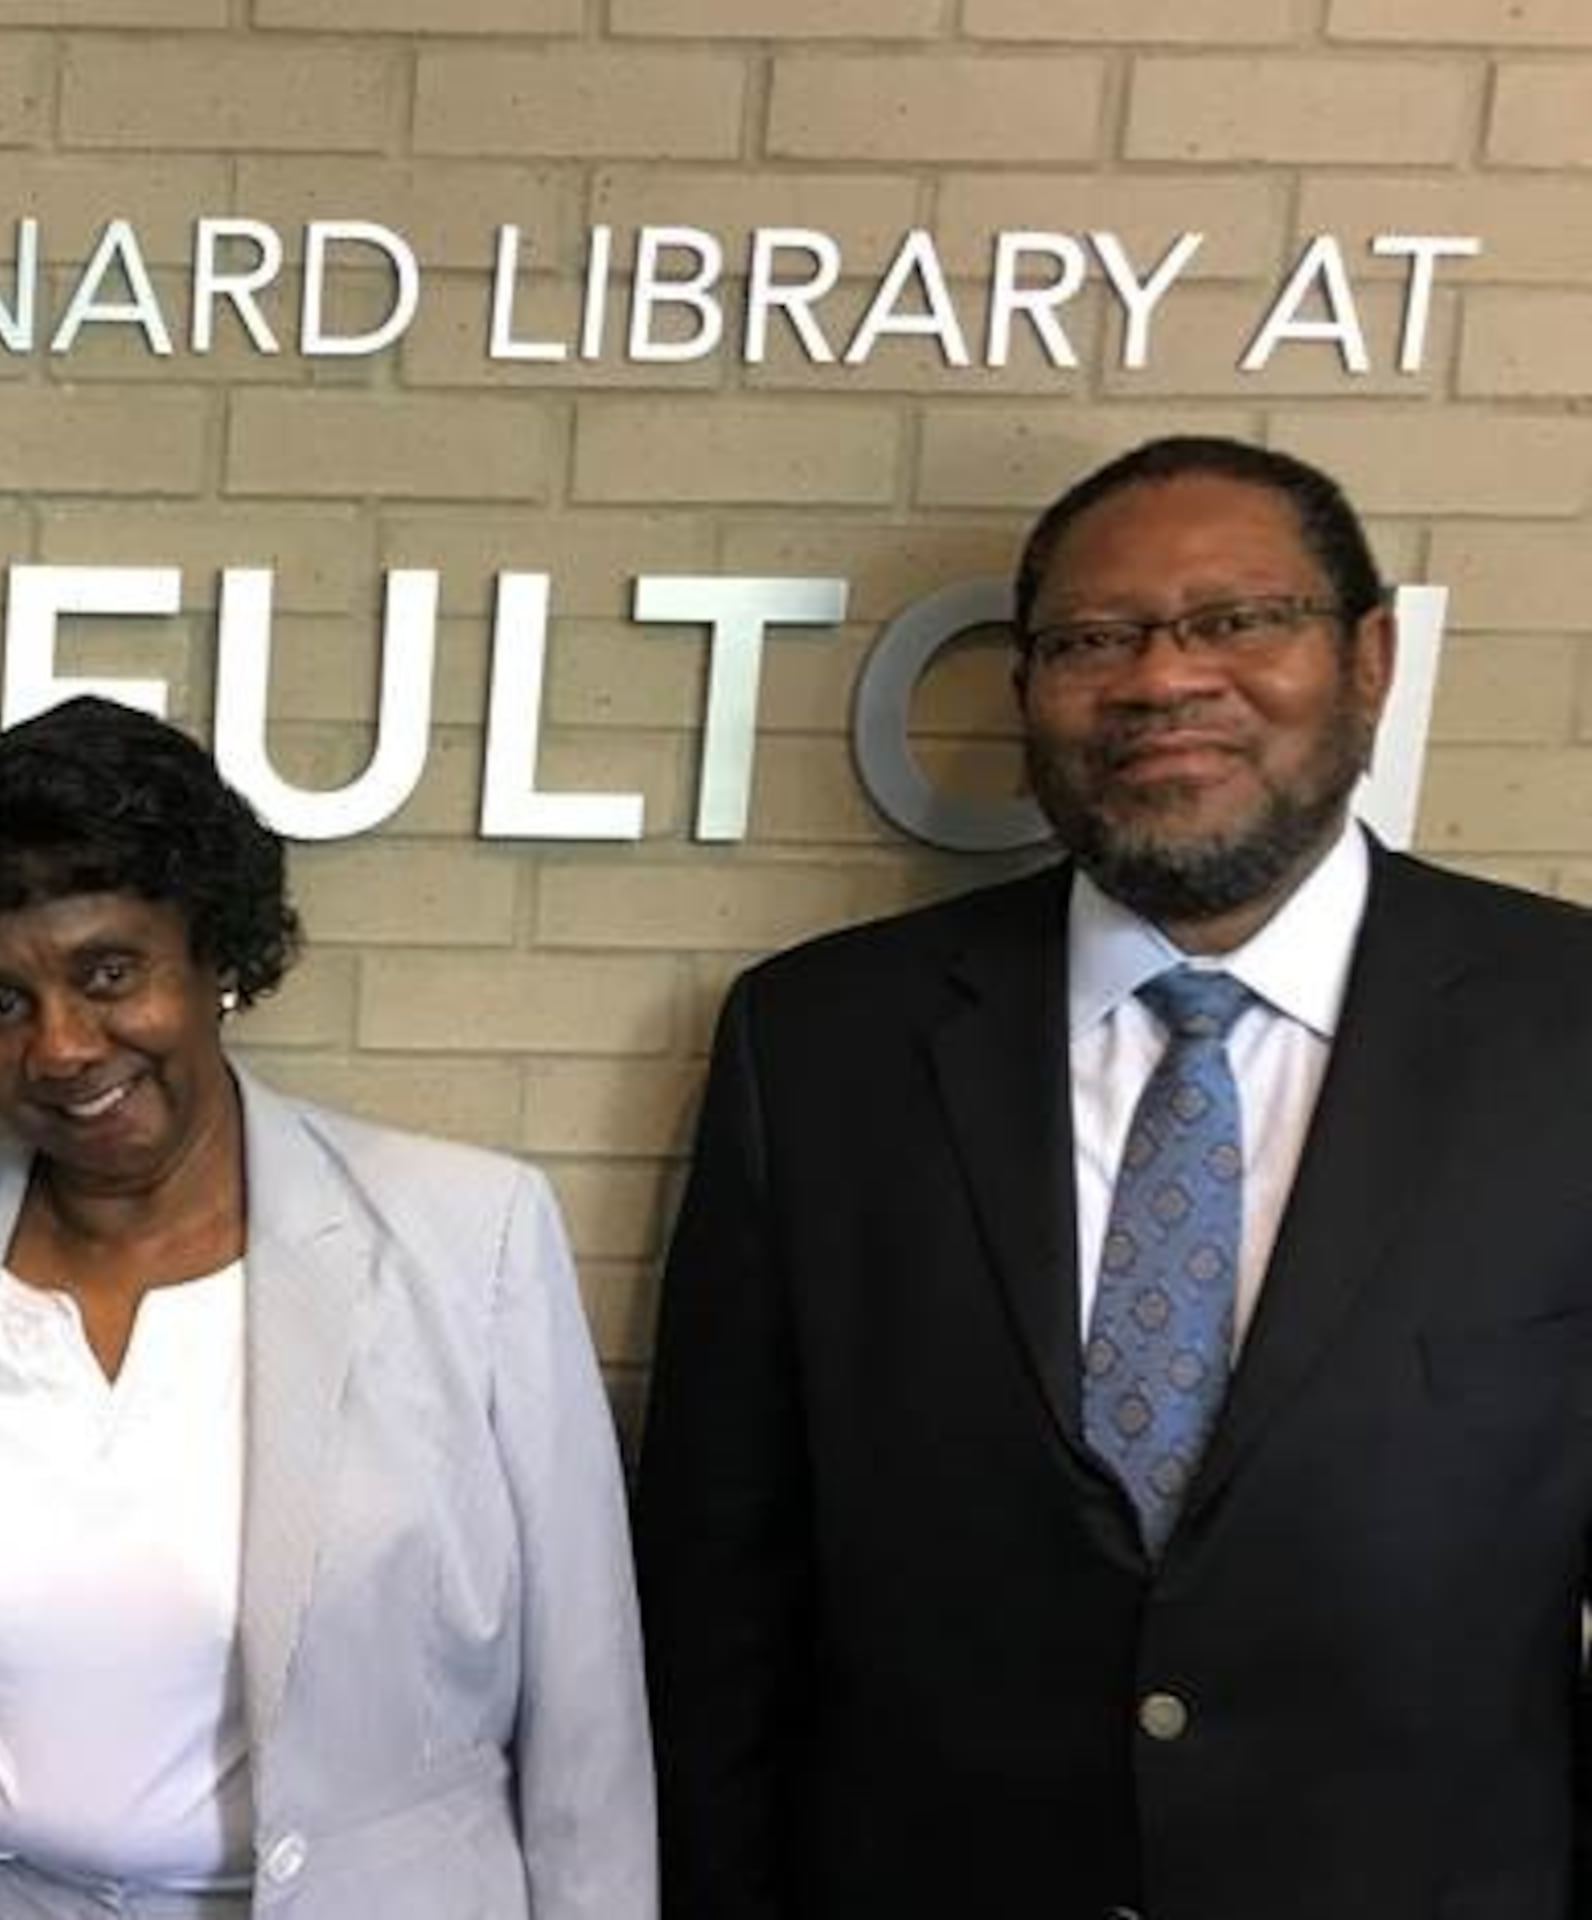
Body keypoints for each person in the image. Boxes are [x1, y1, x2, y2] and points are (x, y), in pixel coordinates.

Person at [635, 437, 1592, 1920]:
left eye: (1238, 621)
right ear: (1028, 690)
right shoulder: (820, 1044)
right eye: (1094, 639)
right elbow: (721, 1582)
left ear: (1371, 658)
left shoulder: (1566, 1031)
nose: (1162, 680)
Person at [0, 696, 652, 1920]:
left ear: (218, 963)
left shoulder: (469, 1237)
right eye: (0, 1003)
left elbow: (587, 1705)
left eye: (110, 973)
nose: (62, 1047)